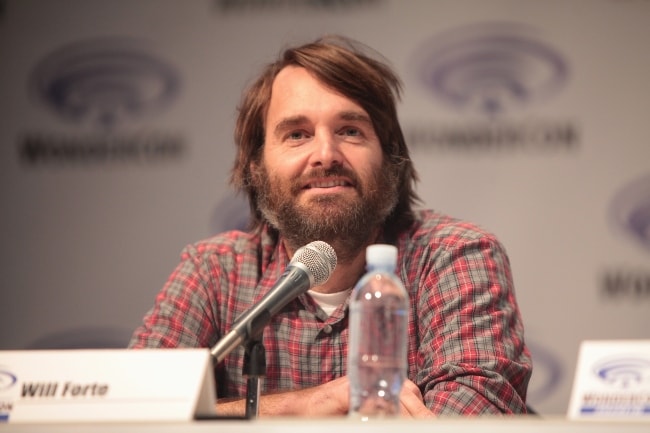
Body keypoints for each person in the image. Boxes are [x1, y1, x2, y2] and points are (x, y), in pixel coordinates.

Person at [129, 35, 532, 417]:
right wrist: (301, 407)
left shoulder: (455, 256)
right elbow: (130, 407)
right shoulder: (214, 271)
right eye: (297, 134)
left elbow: (474, 419)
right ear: (256, 167)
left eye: (350, 131)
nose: (325, 154)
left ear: (390, 159)